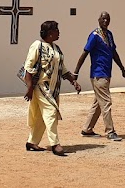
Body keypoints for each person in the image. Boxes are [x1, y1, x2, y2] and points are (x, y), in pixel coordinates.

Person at [24, 20, 81, 156]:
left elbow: (62, 69)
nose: (59, 32)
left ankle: (32, 141)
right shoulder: (37, 46)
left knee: (41, 117)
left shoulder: (56, 48)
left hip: (54, 89)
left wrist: (73, 81)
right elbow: (28, 67)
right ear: (50, 33)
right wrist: (30, 88)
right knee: (51, 112)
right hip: (41, 86)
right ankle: (55, 144)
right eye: (56, 30)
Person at [74, 11, 125, 142]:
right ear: (98, 20)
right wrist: (75, 73)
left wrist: (122, 67)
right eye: (103, 19)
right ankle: (110, 131)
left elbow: (114, 52)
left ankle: (87, 129)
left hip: (106, 73)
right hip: (98, 74)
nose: (106, 21)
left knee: (98, 103)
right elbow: (84, 53)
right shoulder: (94, 35)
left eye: (108, 19)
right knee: (106, 102)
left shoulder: (109, 35)